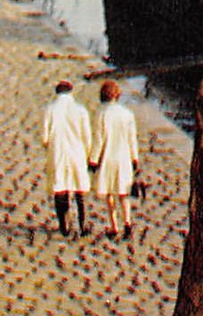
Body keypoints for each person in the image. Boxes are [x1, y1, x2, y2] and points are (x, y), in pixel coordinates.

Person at [89, 79, 139, 242]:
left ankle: (114, 226)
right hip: (124, 157)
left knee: (109, 192)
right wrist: (135, 158)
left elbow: (99, 139)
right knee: (123, 192)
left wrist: (93, 160)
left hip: (108, 157)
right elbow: (132, 139)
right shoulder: (127, 114)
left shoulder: (100, 113)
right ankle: (127, 223)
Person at [41, 81, 92, 238]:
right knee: (79, 189)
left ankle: (64, 224)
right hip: (77, 152)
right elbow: (87, 137)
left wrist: (49, 147)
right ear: (71, 93)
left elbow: (44, 137)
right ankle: (83, 222)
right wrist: (88, 154)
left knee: (60, 188)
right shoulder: (81, 110)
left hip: (58, 151)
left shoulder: (50, 110)